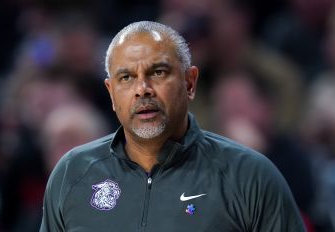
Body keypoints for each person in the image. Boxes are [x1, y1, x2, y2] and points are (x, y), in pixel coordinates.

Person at [40, 21, 306, 231]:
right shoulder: (72, 173)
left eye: (158, 72)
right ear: (111, 93)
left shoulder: (250, 176)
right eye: (126, 77)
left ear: (190, 83)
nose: (142, 90)